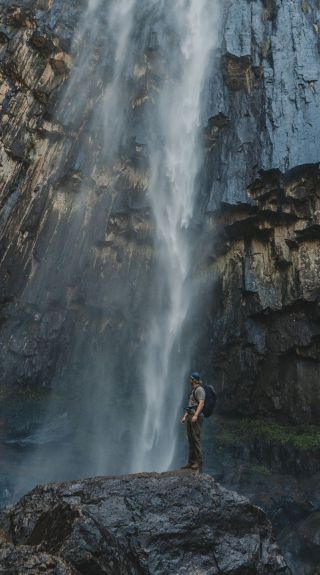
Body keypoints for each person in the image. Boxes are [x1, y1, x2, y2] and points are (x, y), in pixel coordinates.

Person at [180, 372, 205, 471]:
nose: (190, 380)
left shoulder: (200, 390)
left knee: (196, 439)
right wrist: (185, 416)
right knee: (191, 440)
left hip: (195, 417)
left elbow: (201, 403)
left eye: (191, 379)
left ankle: (198, 463)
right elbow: (190, 405)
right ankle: (191, 462)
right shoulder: (193, 390)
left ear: (195, 380)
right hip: (190, 416)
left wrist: (195, 415)